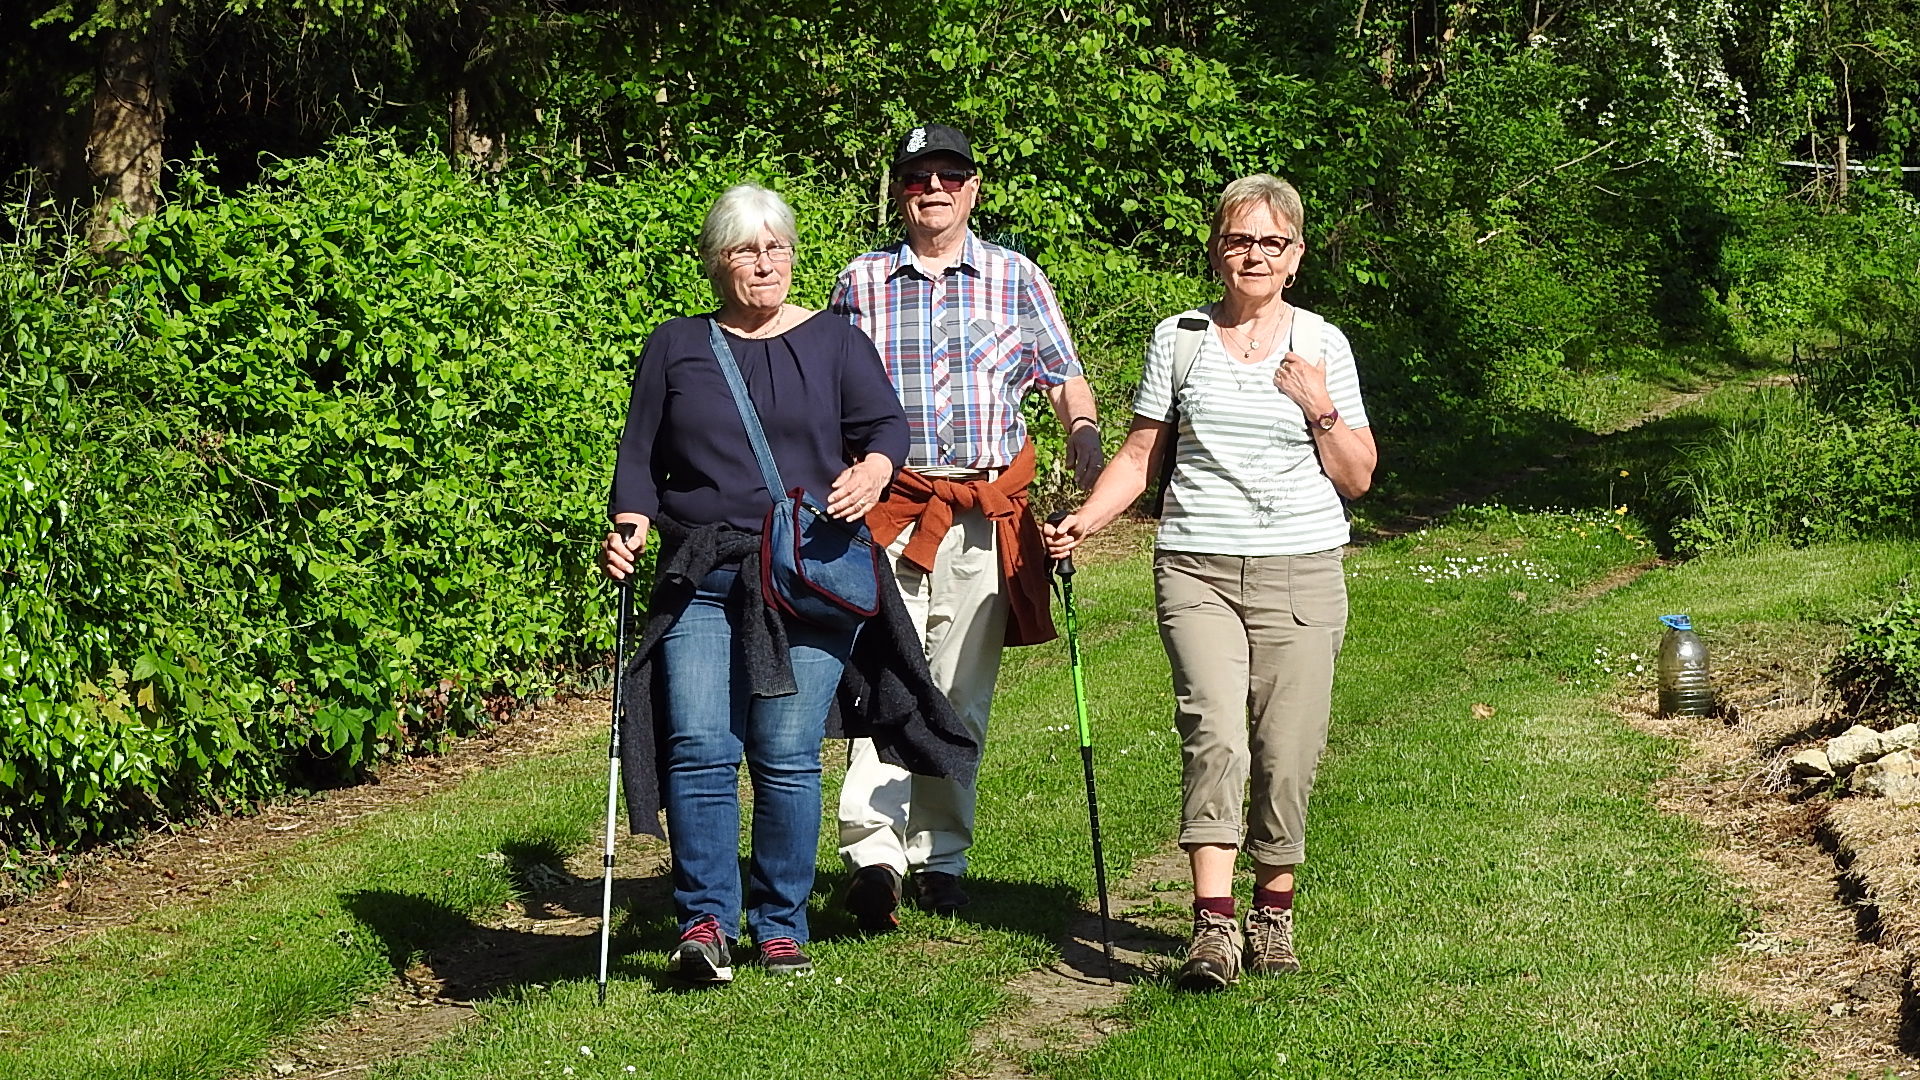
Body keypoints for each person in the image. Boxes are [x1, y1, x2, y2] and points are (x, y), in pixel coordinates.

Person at [1043, 174, 1376, 989]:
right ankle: (1214, 928)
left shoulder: (1322, 345)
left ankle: (1275, 911)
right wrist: (1088, 517)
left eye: (1271, 242)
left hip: (1301, 568)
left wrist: (1319, 407)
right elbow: (1139, 454)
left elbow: (1359, 476)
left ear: (1295, 257)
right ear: (1217, 251)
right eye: (1238, 240)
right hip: (1196, 567)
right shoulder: (1180, 338)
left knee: (1286, 750)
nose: (1253, 255)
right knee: (1216, 733)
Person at [599, 183, 910, 983]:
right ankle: (704, 923)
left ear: (793, 255)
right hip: (702, 570)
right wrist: (630, 519)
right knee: (700, 745)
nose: (764, 264)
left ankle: (780, 925)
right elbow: (640, 457)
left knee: (784, 751)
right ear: (717, 263)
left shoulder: (838, 342)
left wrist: (874, 470)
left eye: (776, 247)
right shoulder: (676, 344)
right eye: (746, 249)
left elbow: (885, 428)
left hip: (806, 573)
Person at [829, 123, 1105, 928]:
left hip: (985, 516)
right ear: (900, 192)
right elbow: (829, 397)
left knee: (959, 694)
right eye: (918, 178)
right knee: (883, 681)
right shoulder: (863, 280)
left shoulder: (1016, 278)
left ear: (973, 189)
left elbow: (1065, 380)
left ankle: (941, 857)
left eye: (950, 175)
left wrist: (1087, 453)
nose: (934, 190)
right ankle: (875, 857)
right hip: (888, 514)